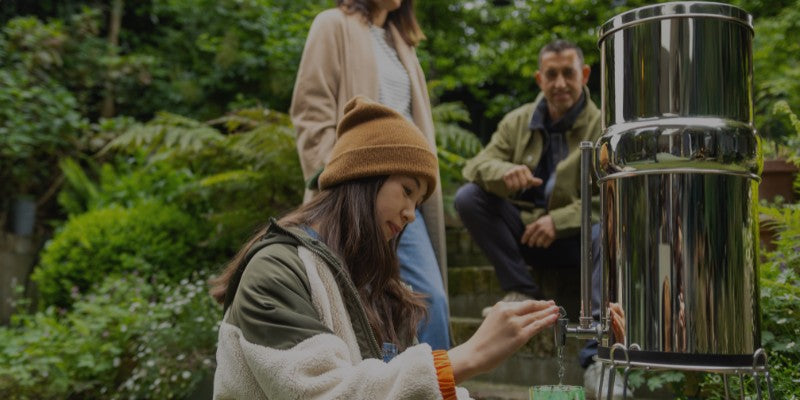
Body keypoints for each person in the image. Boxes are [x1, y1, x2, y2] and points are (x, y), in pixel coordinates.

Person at [211, 97, 560, 399]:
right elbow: (326, 393)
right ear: (364, 179)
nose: (411, 214)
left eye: (419, 202)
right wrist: (464, 358)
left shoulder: (378, 287)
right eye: (407, 191)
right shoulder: (275, 272)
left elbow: (398, 390)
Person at [453, 39, 629, 398]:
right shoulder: (517, 121)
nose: (560, 82)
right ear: (539, 79)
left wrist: (560, 221)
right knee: (468, 197)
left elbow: (616, 195)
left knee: (605, 231)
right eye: (552, 74)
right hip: (525, 236)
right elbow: (475, 166)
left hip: (580, 241)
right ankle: (521, 288)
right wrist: (504, 173)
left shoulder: (605, 124)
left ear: (584, 74)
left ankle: (598, 359)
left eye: (568, 73)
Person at [290, 0, 450, 350]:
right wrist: (333, 178)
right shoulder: (332, 24)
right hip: (356, 192)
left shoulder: (403, 43)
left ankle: (440, 386)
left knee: (430, 300)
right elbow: (310, 108)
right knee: (355, 301)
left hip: (404, 192)